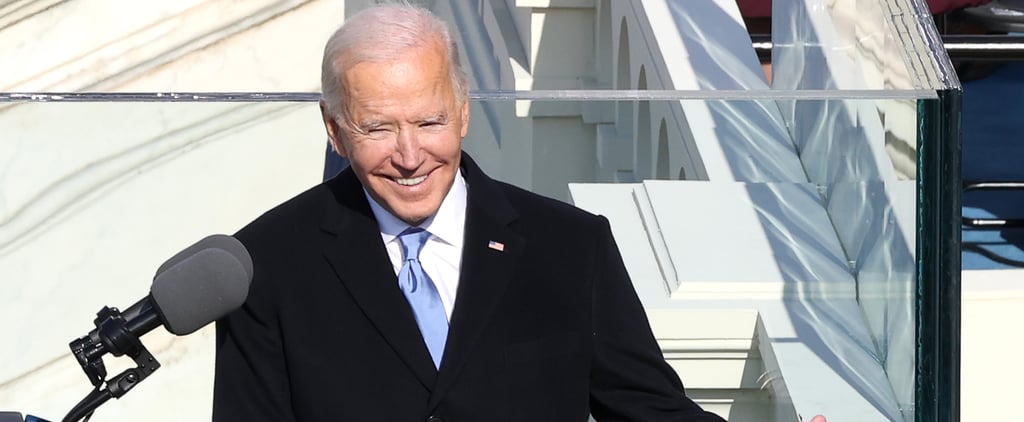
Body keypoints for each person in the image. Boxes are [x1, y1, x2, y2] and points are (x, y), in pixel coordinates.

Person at [213, 3, 729, 421]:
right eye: (379, 128)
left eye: (429, 121)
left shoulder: (570, 246)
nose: (410, 156)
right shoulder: (267, 265)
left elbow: (650, 410)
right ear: (336, 130)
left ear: (463, 111)